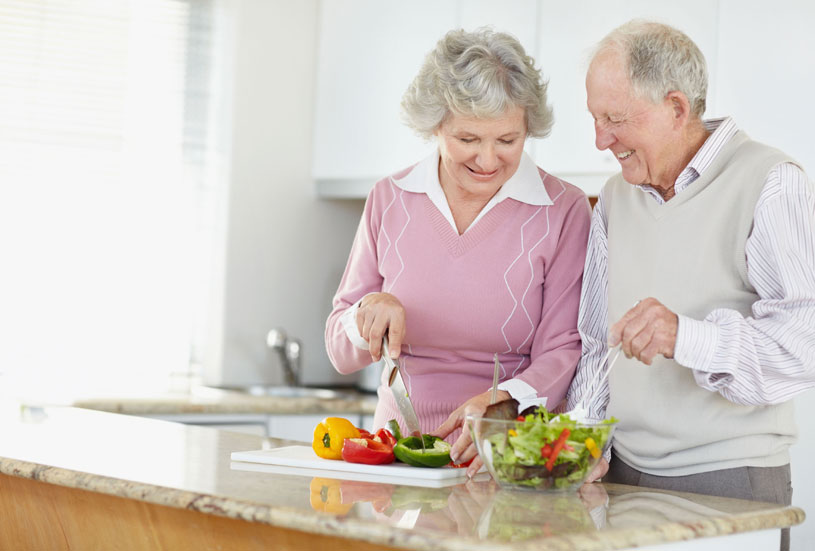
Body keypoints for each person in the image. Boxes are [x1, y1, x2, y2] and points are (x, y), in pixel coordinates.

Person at [566, 20, 815, 551]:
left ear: (676, 108)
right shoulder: (614, 197)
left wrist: (686, 336)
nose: (600, 140)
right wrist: (581, 443)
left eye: (614, 119)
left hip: (730, 480)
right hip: (618, 477)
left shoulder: (770, 181)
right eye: (594, 118)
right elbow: (595, 344)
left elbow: (804, 342)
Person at [325, 28, 591, 477]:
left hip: (502, 455)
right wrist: (366, 313)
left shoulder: (562, 210)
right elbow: (339, 347)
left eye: (507, 140)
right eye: (468, 139)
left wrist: (504, 403)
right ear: (435, 125)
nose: (487, 160)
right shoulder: (390, 198)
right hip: (395, 456)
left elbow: (563, 351)